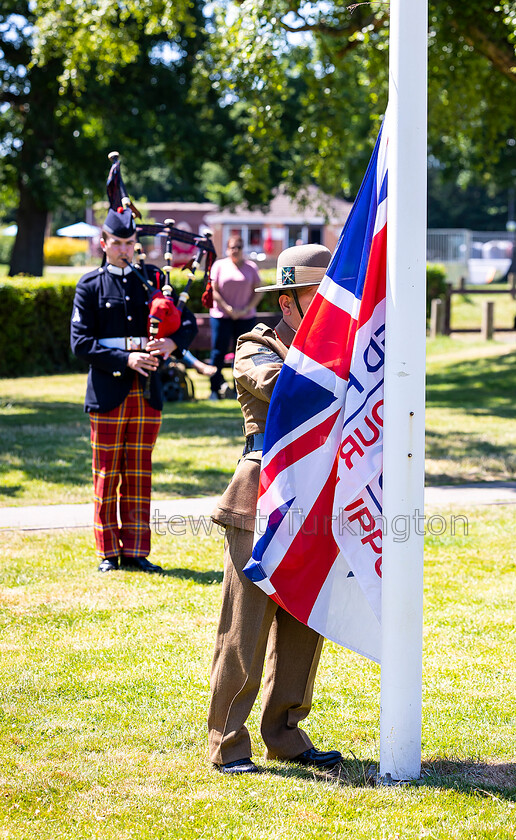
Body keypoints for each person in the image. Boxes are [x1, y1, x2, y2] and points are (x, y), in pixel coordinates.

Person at [207, 244, 343, 775]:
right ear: (288, 304)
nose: (334, 308)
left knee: (306, 623)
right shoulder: (255, 345)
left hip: (315, 501)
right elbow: (280, 389)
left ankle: (284, 735)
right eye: (321, 297)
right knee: (245, 626)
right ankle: (227, 743)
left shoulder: (344, 350)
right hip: (262, 496)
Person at [70, 204, 197, 574]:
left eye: (130, 242)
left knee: (139, 471)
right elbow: (81, 343)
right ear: (103, 242)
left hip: (147, 390)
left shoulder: (155, 279)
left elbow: (184, 323)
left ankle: (137, 551)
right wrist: (125, 359)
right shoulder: (90, 285)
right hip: (108, 391)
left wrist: (173, 344)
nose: (125, 249)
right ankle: (109, 553)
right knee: (107, 473)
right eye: (118, 242)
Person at [208, 236, 262, 400]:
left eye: (238, 247)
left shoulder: (251, 267)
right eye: (232, 247)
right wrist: (228, 309)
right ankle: (214, 389)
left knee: (242, 354)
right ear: (227, 249)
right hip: (222, 316)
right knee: (218, 353)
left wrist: (246, 308)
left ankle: (240, 389)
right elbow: (214, 290)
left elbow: (258, 291)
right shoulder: (219, 265)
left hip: (245, 317)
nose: (235, 250)